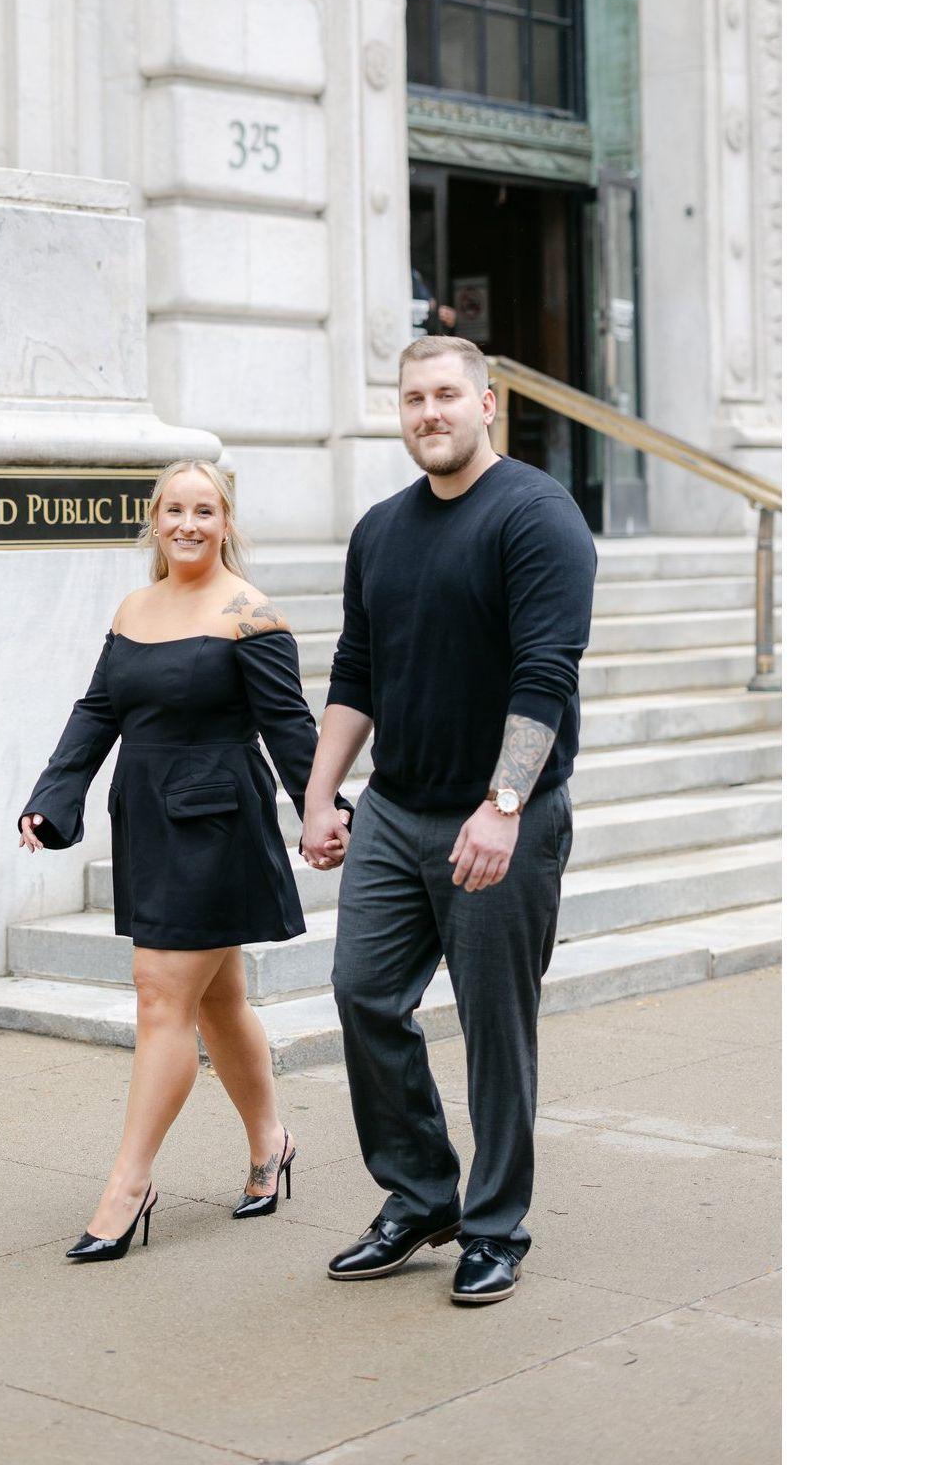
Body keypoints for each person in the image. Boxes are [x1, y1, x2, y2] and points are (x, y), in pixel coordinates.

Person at [299, 335, 596, 1307]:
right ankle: (421, 1193)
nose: (429, 412)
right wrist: (319, 793)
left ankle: (494, 1224)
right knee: (362, 993)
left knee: (493, 1028)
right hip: (394, 809)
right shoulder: (379, 530)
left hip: (502, 816)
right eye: (413, 398)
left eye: (446, 395)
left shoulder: (536, 514)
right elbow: (355, 670)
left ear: (486, 403)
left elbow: (544, 673)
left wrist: (502, 805)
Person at [17, 459, 350, 1262]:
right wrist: (53, 797)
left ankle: (127, 1186)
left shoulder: (249, 614)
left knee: (161, 995)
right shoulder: (135, 608)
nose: (188, 524)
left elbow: (289, 727)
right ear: (155, 521)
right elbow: (97, 711)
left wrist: (324, 809)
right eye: (174, 510)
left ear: (226, 522)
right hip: (148, 821)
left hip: (216, 827)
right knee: (218, 1001)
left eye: (205, 510)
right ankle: (271, 1142)